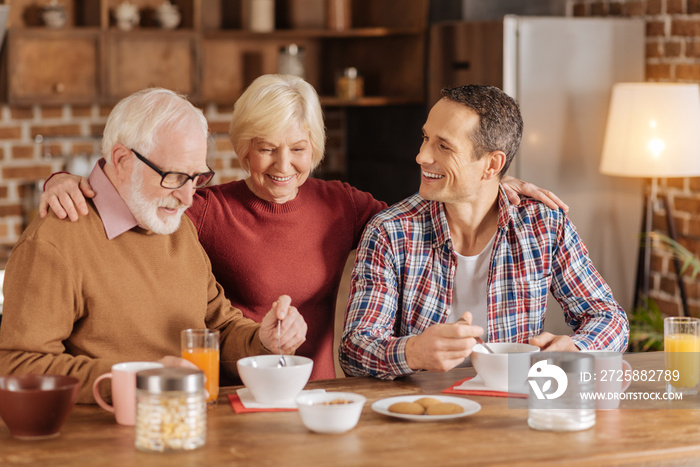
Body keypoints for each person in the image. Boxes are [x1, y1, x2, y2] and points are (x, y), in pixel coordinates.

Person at [39, 75, 568, 381]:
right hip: (229, 392)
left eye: (297, 149)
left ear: (314, 150)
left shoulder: (343, 206)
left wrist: (490, 182)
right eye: (265, 148)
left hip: (318, 393)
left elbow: (426, 210)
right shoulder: (202, 207)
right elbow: (138, 203)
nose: (281, 166)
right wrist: (66, 180)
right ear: (242, 147)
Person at [0, 88, 307, 403]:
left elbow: (218, 329)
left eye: (196, 178)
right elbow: (19, 366)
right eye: (174, 177)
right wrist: (136, 380)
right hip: (105, 439)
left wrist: (264, 340)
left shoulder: (177, 229)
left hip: (186, 427)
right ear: (121, 160)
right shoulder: (55, 242)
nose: (188, 198)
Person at [339, 84, 629, 380]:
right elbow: (354, 351)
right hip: (424, 410)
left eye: (443, 146)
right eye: (425, 138)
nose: (421, 156)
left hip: (513, 405)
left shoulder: (544, 225)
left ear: (492, 165)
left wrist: (577, 348)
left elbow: (609, 318)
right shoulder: (390, 231)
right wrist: (412, 352)